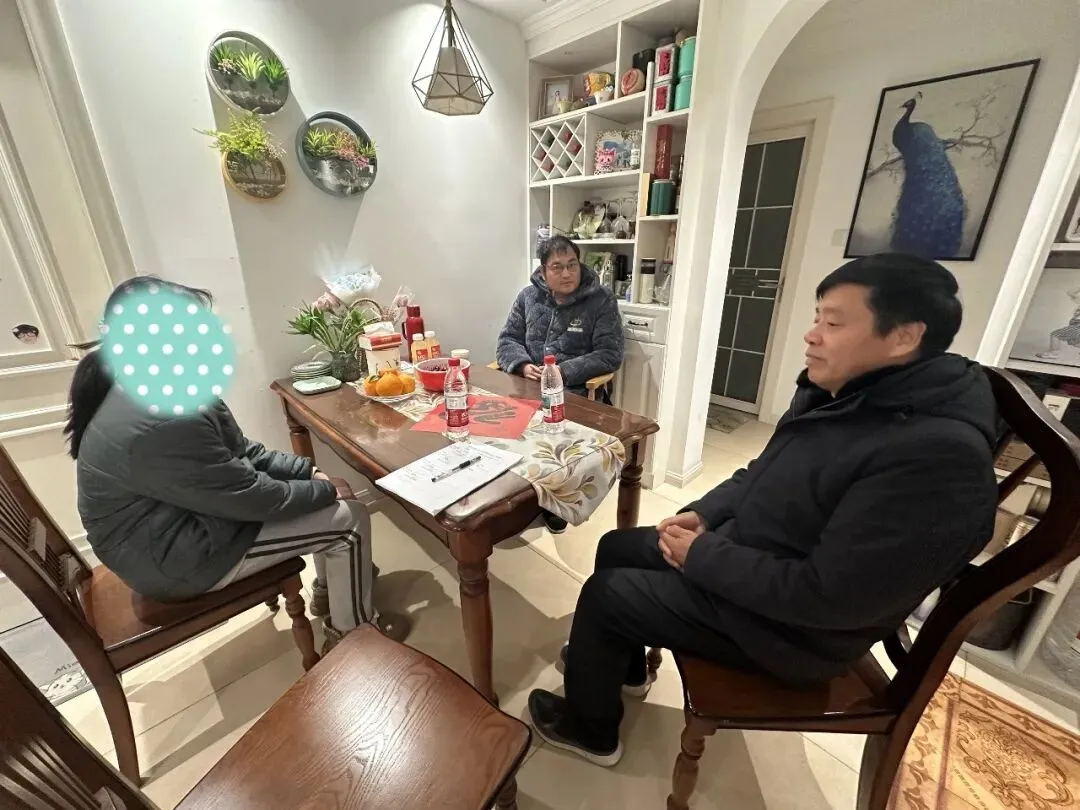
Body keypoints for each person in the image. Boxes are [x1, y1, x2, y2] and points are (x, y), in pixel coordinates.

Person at [527, 253, 998, 766]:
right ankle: (624, 667)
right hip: (753, 556)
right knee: (618, 546)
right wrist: (705, 514)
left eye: (833, 323)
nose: (811, 336)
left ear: (903, 337)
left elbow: (828, 599)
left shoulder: (938, 459)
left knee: (606, 595)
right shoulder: (844, 393)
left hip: (790, 631)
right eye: (817, 317)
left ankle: (591, 730)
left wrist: (702, 556)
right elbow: (762, 470)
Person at [66, 277, 408, 650]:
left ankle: (329, 594)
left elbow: (241, 451)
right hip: (173, 560)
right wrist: (322, 491)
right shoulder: (160, 416)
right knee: (349, 521)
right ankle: (353, 641)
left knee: (327, 496)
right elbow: (246, 497)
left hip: (172, 530)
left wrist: (308, 472)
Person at [497, 235, 625, 533]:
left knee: (555, 441)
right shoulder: (528, 297)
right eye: (557, 267)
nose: (567, 273)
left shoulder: (601, 300)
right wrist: (522, 364)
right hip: (526, 387)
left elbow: (610, 354)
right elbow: (507, 340)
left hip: (574, 392)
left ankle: (557, 500)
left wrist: (563, 372)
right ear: (543, 271)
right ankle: (515, 495)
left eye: (572, 265)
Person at [1036, 287, 1080, 360]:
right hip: (1075, 325)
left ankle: (1054, 353)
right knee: (1073, 342)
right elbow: (1070, 292)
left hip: (1078, 326)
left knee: (1055, 335)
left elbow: (1071, 293)